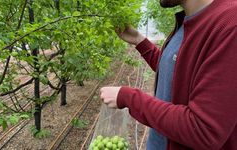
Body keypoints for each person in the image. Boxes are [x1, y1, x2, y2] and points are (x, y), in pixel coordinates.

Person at [99, 0, 237, 149]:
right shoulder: (190, 19)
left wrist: (128, 98)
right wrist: (140, 41)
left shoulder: (229, 24)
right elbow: (178, 71)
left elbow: (204, 130)